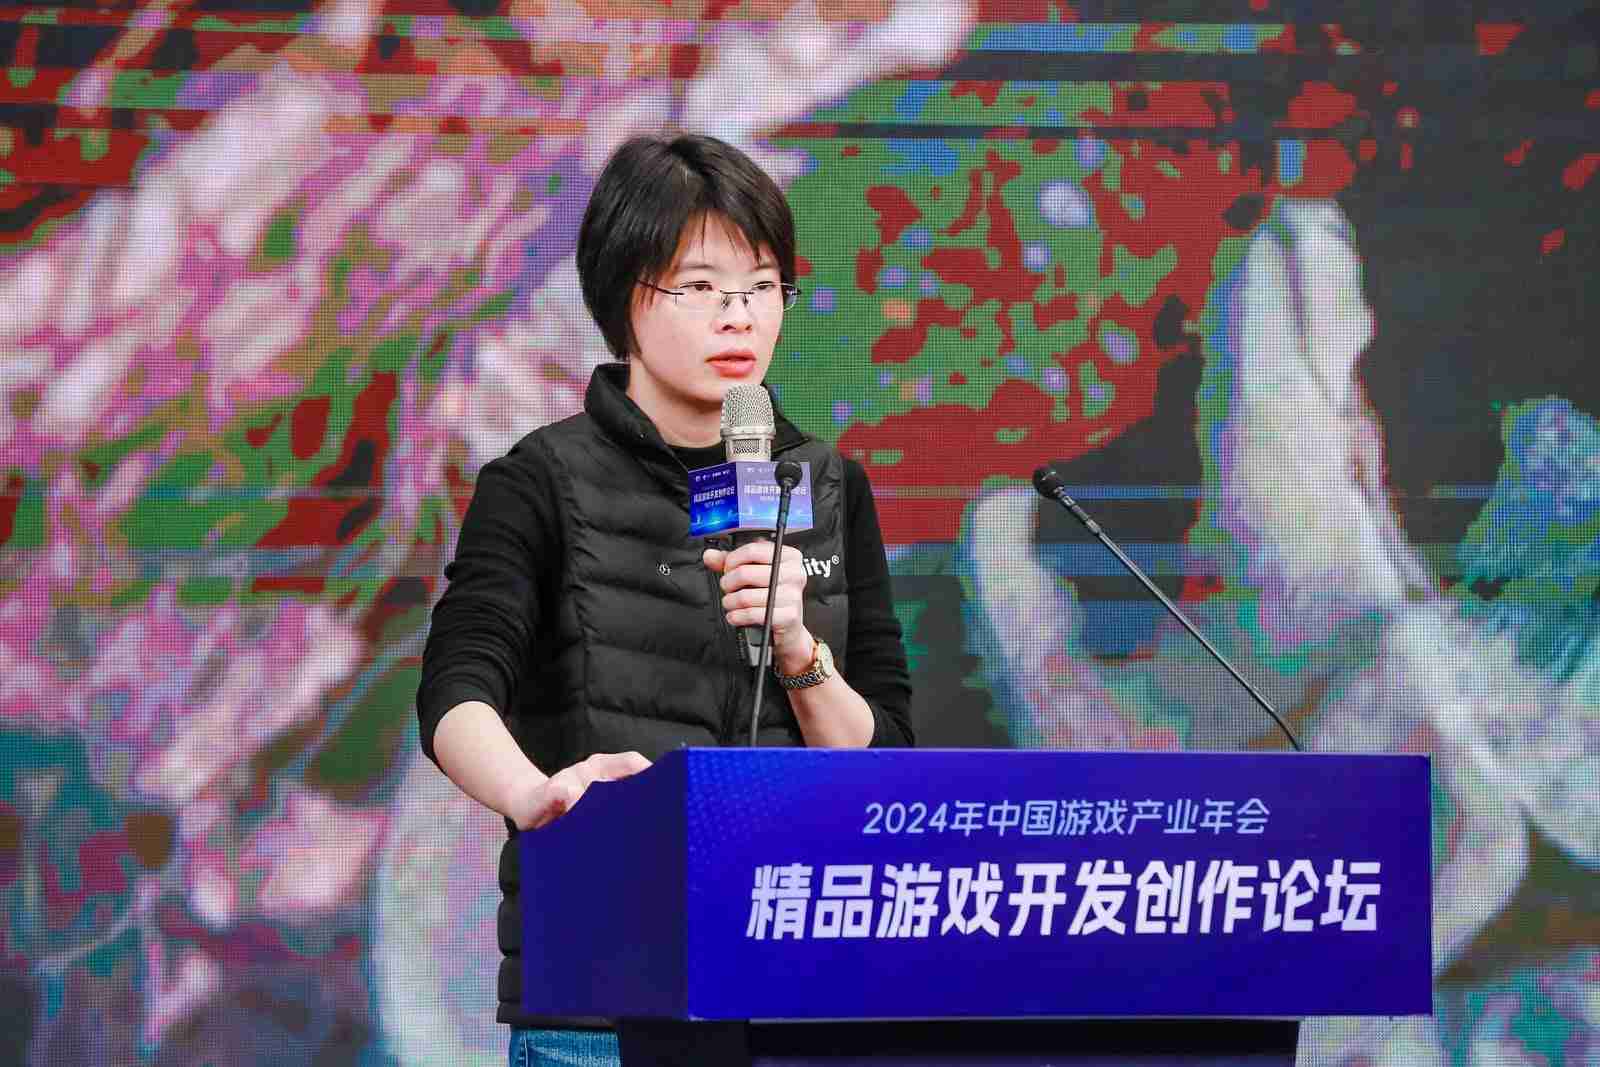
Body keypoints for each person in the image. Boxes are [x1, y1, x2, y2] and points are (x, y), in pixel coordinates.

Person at [414, 131, 914, 1067]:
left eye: (761, 286)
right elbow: (455, 692)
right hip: (603, 1000)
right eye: (701, 287)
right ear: (626, 299)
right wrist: (537, 795)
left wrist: (800, 651)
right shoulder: (540, 481)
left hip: (795, 992)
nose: (739, 316)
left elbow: (885, 760)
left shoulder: (826, 485)